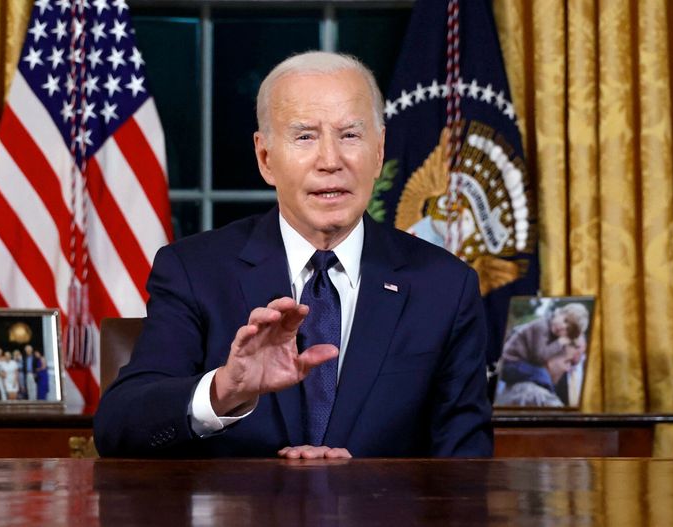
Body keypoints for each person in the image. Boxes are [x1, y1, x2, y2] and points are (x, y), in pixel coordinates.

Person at [94, 51, 493, 459]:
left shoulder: (445, 285)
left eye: (350, 135)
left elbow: (465, 464)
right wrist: (224, 389)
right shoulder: (195, 271)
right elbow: (118, 426)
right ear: (265, 158)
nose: (330, 161)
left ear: (378, 151)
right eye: (305, 136)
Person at [495, 303, 590, 407]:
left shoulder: (551, 332)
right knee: (541, 375)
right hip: (510, 363)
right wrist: (560, 342)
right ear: (559, 312)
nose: (563, 327)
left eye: (567, 330)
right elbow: (539, 356)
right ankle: (550, 392)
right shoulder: (541, 326)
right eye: (565, 320)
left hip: (514, 365)